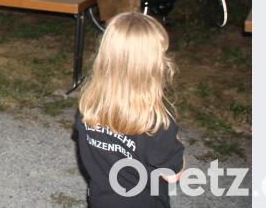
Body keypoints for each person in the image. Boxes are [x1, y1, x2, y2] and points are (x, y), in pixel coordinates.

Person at [75, 12, 185, 207]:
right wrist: (176, 146)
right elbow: (172, 175)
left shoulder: (88, 105)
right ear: (152, 65)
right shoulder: (157, 121)